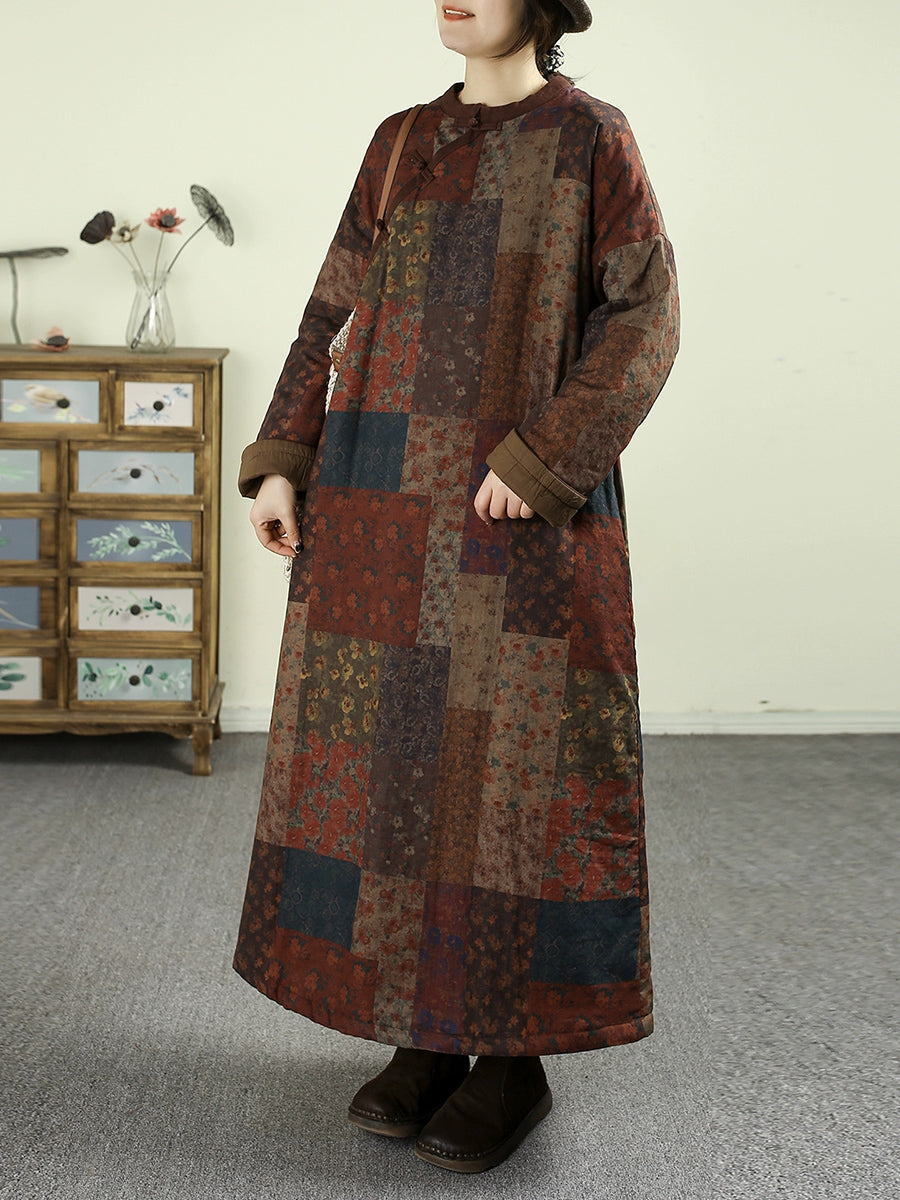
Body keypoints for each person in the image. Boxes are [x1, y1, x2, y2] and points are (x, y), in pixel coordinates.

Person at [234, 0, 679, 1175]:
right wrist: (284, 460)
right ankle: (422, 1039)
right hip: (378, 504)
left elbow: (645, 316)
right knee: (392, 774)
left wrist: (540, 463)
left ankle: (513, 1063)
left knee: (512, 783)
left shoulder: (590, 136)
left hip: (511, 511)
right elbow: (333, 306)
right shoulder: (398, 141)